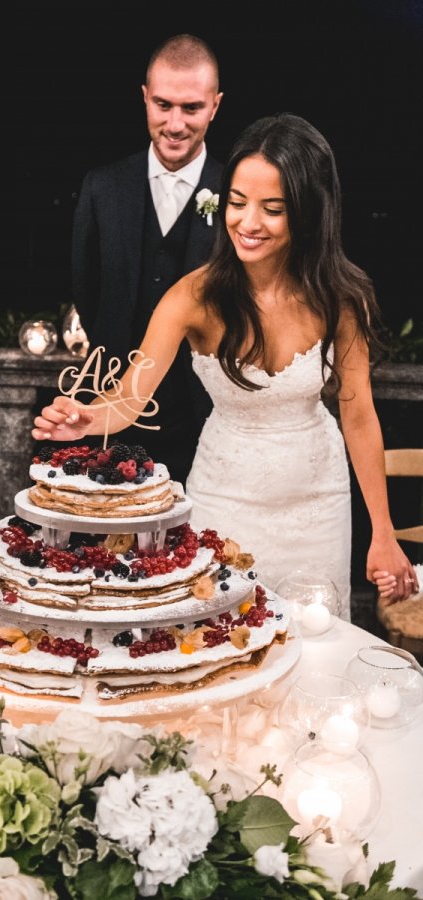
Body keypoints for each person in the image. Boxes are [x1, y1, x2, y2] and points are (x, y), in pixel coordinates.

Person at [34, 112, 419, 616]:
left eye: (272, 208)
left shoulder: (340, 297)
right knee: (217, 642)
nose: (247, 222)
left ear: (309, 213)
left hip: (318, 503)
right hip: (225, 497)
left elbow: (360, 414)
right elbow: (129, 398)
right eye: (237, 202)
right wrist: (88, 418)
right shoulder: (193, 296)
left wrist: (383, 533)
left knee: (314, 639)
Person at [70, 33, 223, 485]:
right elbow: (87, 289)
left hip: (206, 418)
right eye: (163, 105)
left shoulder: (238, 191)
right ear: (144, 98)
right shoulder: (101, 187)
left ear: (215, 105)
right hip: (111, 411)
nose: (175, 124)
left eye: (192, 108)